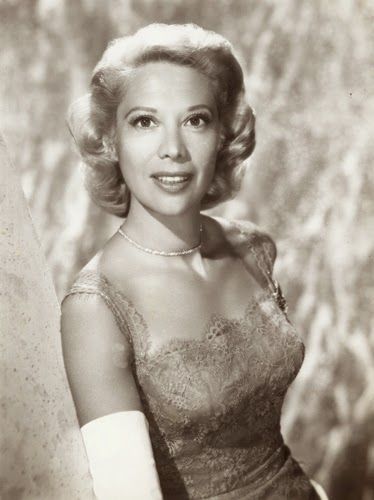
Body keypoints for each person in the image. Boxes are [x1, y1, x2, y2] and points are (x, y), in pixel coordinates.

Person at [61, 23, 328, 500]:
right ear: (109, 140)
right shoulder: (94, 310)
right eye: (144, 121)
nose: (173, 150)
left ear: (224, 135)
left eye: (195, 120)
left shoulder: (254, 248)